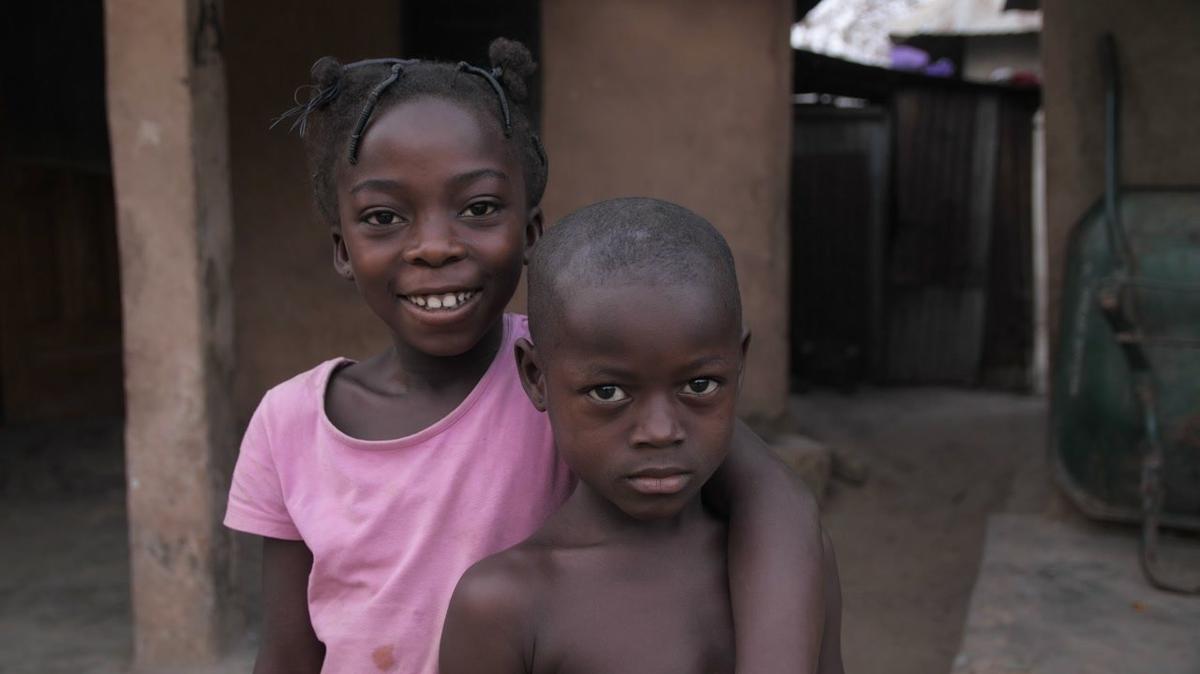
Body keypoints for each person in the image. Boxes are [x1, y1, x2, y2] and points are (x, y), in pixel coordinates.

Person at [224, 39, 828, 674]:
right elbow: (289, 651)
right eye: (383, 216)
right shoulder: (288, 424)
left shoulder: (587, 374)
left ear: (531, 232)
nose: (434, 247)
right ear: (343, 247)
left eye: (479, 208)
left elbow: (778, 505)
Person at [439, 198, 844, 674]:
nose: (660, 432)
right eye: (607, 391)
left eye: (699, 385)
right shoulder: (505, 605)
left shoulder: (786, 564)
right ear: (536, 376)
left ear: (740, 361)